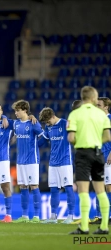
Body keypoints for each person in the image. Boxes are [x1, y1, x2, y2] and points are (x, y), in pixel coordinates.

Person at [67, 86, 110, 235]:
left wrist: (81, 142)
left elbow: (71, 138)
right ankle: (104, 226)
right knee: (101, 191)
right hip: (98, 153)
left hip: (83, 154)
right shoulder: (101, 115)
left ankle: (84, 227)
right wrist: (96, 142)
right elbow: (108, 137)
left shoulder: (75, 114)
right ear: (93, 98)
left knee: (83, 191)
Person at [38, 107, 75, 224]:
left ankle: (70, 216)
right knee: (54, 190)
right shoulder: (48, 127)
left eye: (48, 121)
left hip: (65, 162)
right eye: (45, 123)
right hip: (53, 163)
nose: (47, 124)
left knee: (68, 188)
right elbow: (41, 142)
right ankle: (53, 217)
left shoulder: (65, 124)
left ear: (53, 116)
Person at [11, 100, 43, 223]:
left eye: (18, 110)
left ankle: (36, 216)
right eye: (15, 111)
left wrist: (34, 147)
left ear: (25, 110)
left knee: (34, 186)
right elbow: (13, 138)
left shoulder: (33, 123)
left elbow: (43, 137)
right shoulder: (16, 124)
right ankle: (24, 216)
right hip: (20, 161)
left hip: (32, 160)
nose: (16, 113)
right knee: (23, 186)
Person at [90, 97, 111, 225]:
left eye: (99, 105)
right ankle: (99, 216)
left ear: (106, 107)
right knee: (98, 187)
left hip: (108, 158)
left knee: (109, 187)